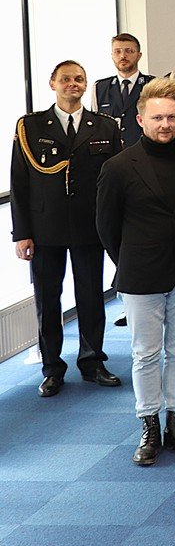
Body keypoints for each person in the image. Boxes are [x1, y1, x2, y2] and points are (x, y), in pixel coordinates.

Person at [95, 78, 175, 466]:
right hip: (141, 274)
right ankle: (149, 427)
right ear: (140, 119)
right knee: (145, 354)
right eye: (157, 118)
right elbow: (106, 227)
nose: (165, 124)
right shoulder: (118, 166)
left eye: (171, 118)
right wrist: (130, 258)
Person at [12, 60, 123, 397]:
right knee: (48, 300)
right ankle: (51, 368)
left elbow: (116, 181)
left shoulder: (104, 126)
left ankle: (92, 362)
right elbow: (19, 182)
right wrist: (22, 233)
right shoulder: (30, 126)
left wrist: (116, 227)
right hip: (45, 228)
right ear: (52, 83)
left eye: (79, 79)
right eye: (65, 79)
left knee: (91, 297)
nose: (72, 84)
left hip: (89, 227)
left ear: (86, 84)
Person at [94, 33, 151, 149]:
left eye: (129, 51)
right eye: (117, 51)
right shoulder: (100, 87)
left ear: (139, 55)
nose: (123, 56)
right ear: (112, 55)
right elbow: (96, 125)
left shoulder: (151, 84)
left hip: (143, 150)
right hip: (111, 153)